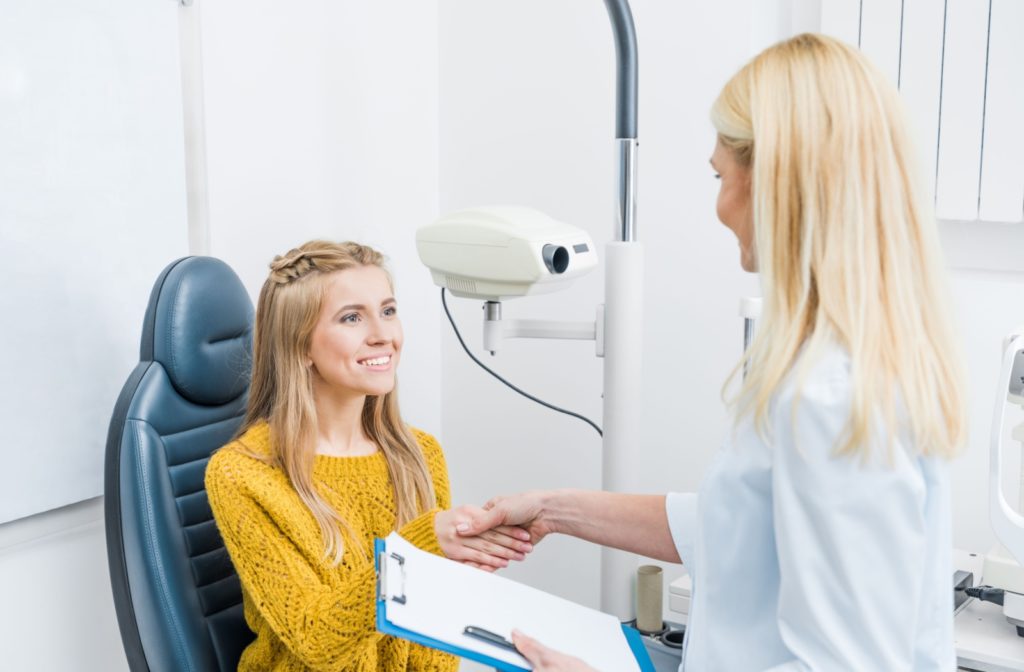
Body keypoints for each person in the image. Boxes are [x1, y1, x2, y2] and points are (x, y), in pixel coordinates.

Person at [464, 33, 967, 671]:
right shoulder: (842, 363)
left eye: (720, 176)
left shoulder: (827, 396)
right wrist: (555, 510)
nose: (720, 205)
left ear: (775, 184)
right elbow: (744, 530)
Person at [206, 240, 533, 671]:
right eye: (352, 317)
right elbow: (315, 637)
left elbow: (435, 633)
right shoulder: (243, 475)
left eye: (388, 310)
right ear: (299, 345)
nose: (382, 335)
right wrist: (423, 545)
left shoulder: (419, 455)